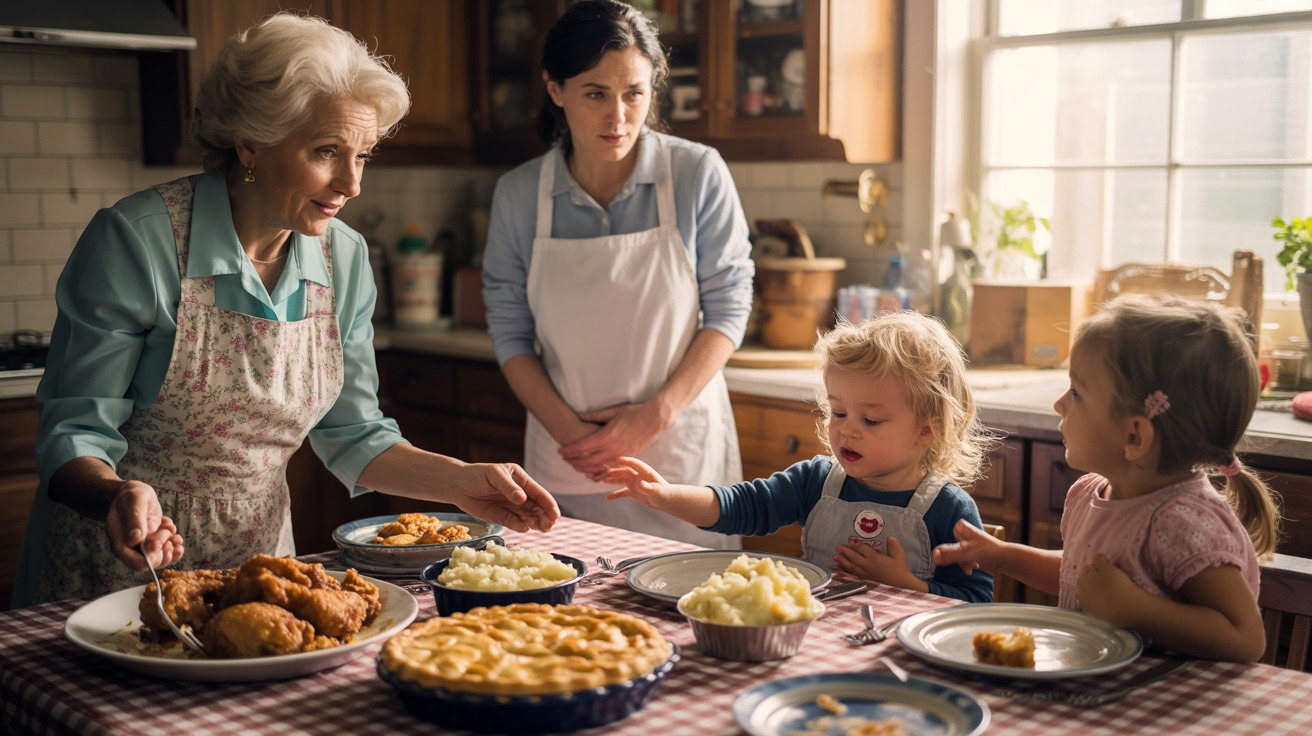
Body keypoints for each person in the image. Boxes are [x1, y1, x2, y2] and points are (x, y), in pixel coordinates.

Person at [14, 13, 558, 609]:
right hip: (120, 566)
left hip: (262, 570)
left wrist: (460, 481)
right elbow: (73, 433)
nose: (351, 183)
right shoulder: (139, 241)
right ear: (250, 141)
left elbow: (353, 433)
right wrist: (116, 493)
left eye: (363, 156)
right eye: (327, 151)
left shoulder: (344, 257)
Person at [482, 0, 754, 548]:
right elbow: (510, 332)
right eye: (595, 94)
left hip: (679, 457)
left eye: (634, 93)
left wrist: (656, 414)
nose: (618, 117)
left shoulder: (696, 173)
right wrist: (571, 431)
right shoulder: (519, 194)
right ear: (555, 89)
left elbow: (729, 307)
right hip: (570, 460)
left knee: (692, 593)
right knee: (570, 593)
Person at [934, 294, 1280, 661]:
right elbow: (1084, 577)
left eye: (1076, 392)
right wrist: (1003, 556)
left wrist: (1135, 608)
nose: (1059, 404)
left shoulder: (1182, 520)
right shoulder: (1091, 494)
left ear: (1135, 437)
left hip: (1170, 695)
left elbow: (1246, 638)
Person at [602, 312, 997, 602]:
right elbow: (740, 506)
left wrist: (910, 585)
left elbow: (977, 602)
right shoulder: (816, 481)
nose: (848, 430)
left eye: (871, 420)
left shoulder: (948, 509)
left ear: (926, 430)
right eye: (838, 413)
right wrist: (665, 494)